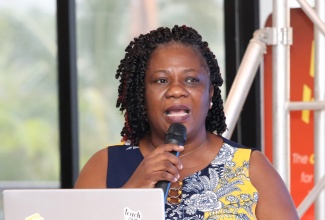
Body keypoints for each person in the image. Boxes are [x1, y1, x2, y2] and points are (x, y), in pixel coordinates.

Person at [75, 25, 299, 219]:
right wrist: (134, 189)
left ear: (210, 93)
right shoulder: (104, 165)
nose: (176, 90)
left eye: (191, 80)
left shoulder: (252, 168)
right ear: (142, 94)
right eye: (161, 80)